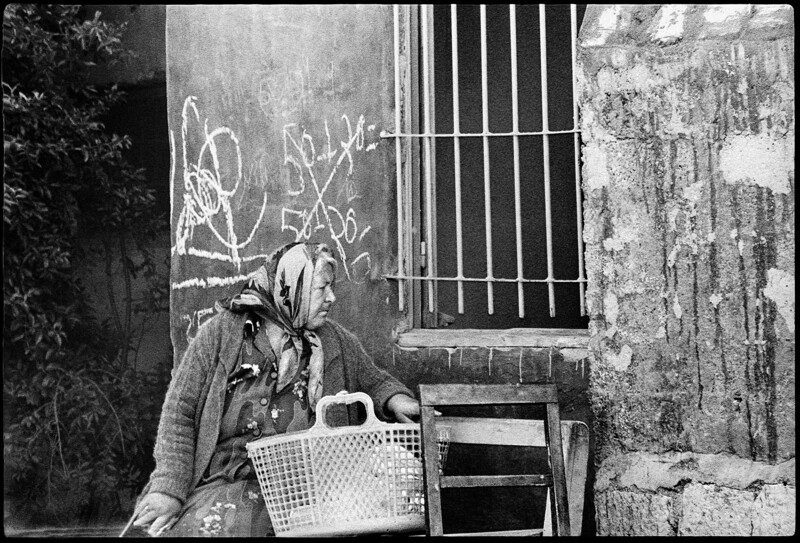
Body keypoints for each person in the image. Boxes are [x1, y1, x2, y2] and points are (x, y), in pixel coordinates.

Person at [132, 242, 420, 537]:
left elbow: (374, 381)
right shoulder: (221, 334)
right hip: (225, 483)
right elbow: (180, 413)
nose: (331, 298)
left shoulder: (335, 342)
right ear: (289, 288)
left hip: (306, 494)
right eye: (321, 289)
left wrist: (395, 399)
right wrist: (169, 490)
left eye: (331, 288)